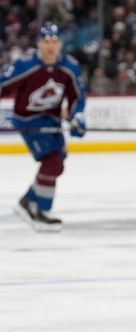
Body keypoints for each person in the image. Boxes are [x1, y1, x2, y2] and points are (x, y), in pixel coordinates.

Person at [0, 22, 87, 232]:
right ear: (39, 44)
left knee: (58, 164)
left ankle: (27, 202)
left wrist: (77, 117)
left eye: (54, 41)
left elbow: (77, 97)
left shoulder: (69, 67)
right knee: (52, 162)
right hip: (29, 121)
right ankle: (41, 212)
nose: (50, 46)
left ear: (59, 44)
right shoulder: (25, 65)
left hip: (52, 120)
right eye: (46, 41)